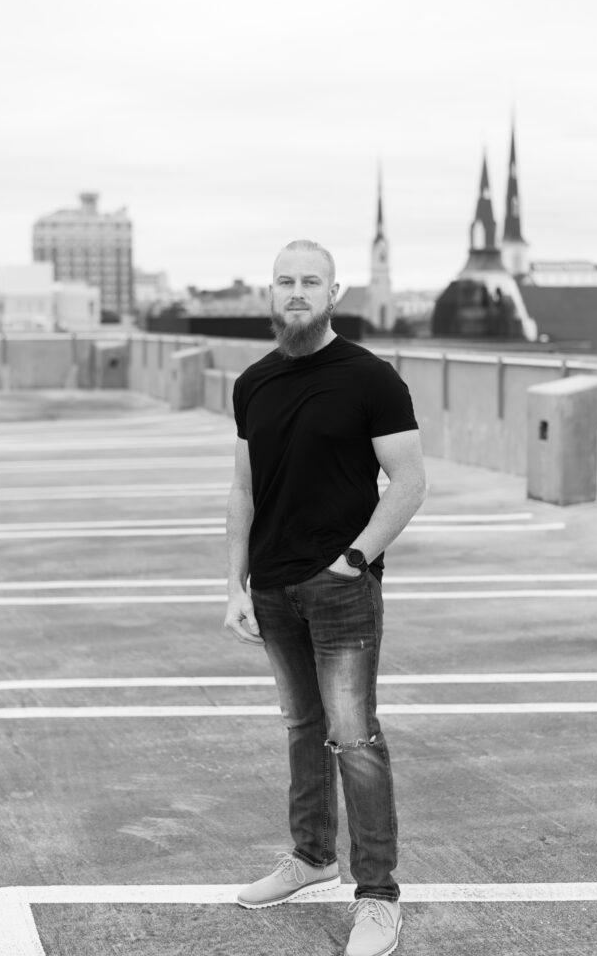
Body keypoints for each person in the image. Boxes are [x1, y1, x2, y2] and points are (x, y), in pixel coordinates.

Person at [224, 240, 427, 956]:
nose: (298, 292)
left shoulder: (371, 378)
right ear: (269, 294)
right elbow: (244, 490)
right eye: (286, 282)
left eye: (311, 281)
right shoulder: (252, 383)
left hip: (340, 587)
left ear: (334, 292)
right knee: (301, 727)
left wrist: (355, 558)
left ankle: (378, 898)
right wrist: (235, 585)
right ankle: (311, 858)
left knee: (354, 738)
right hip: (274, 587)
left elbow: (408, 481)